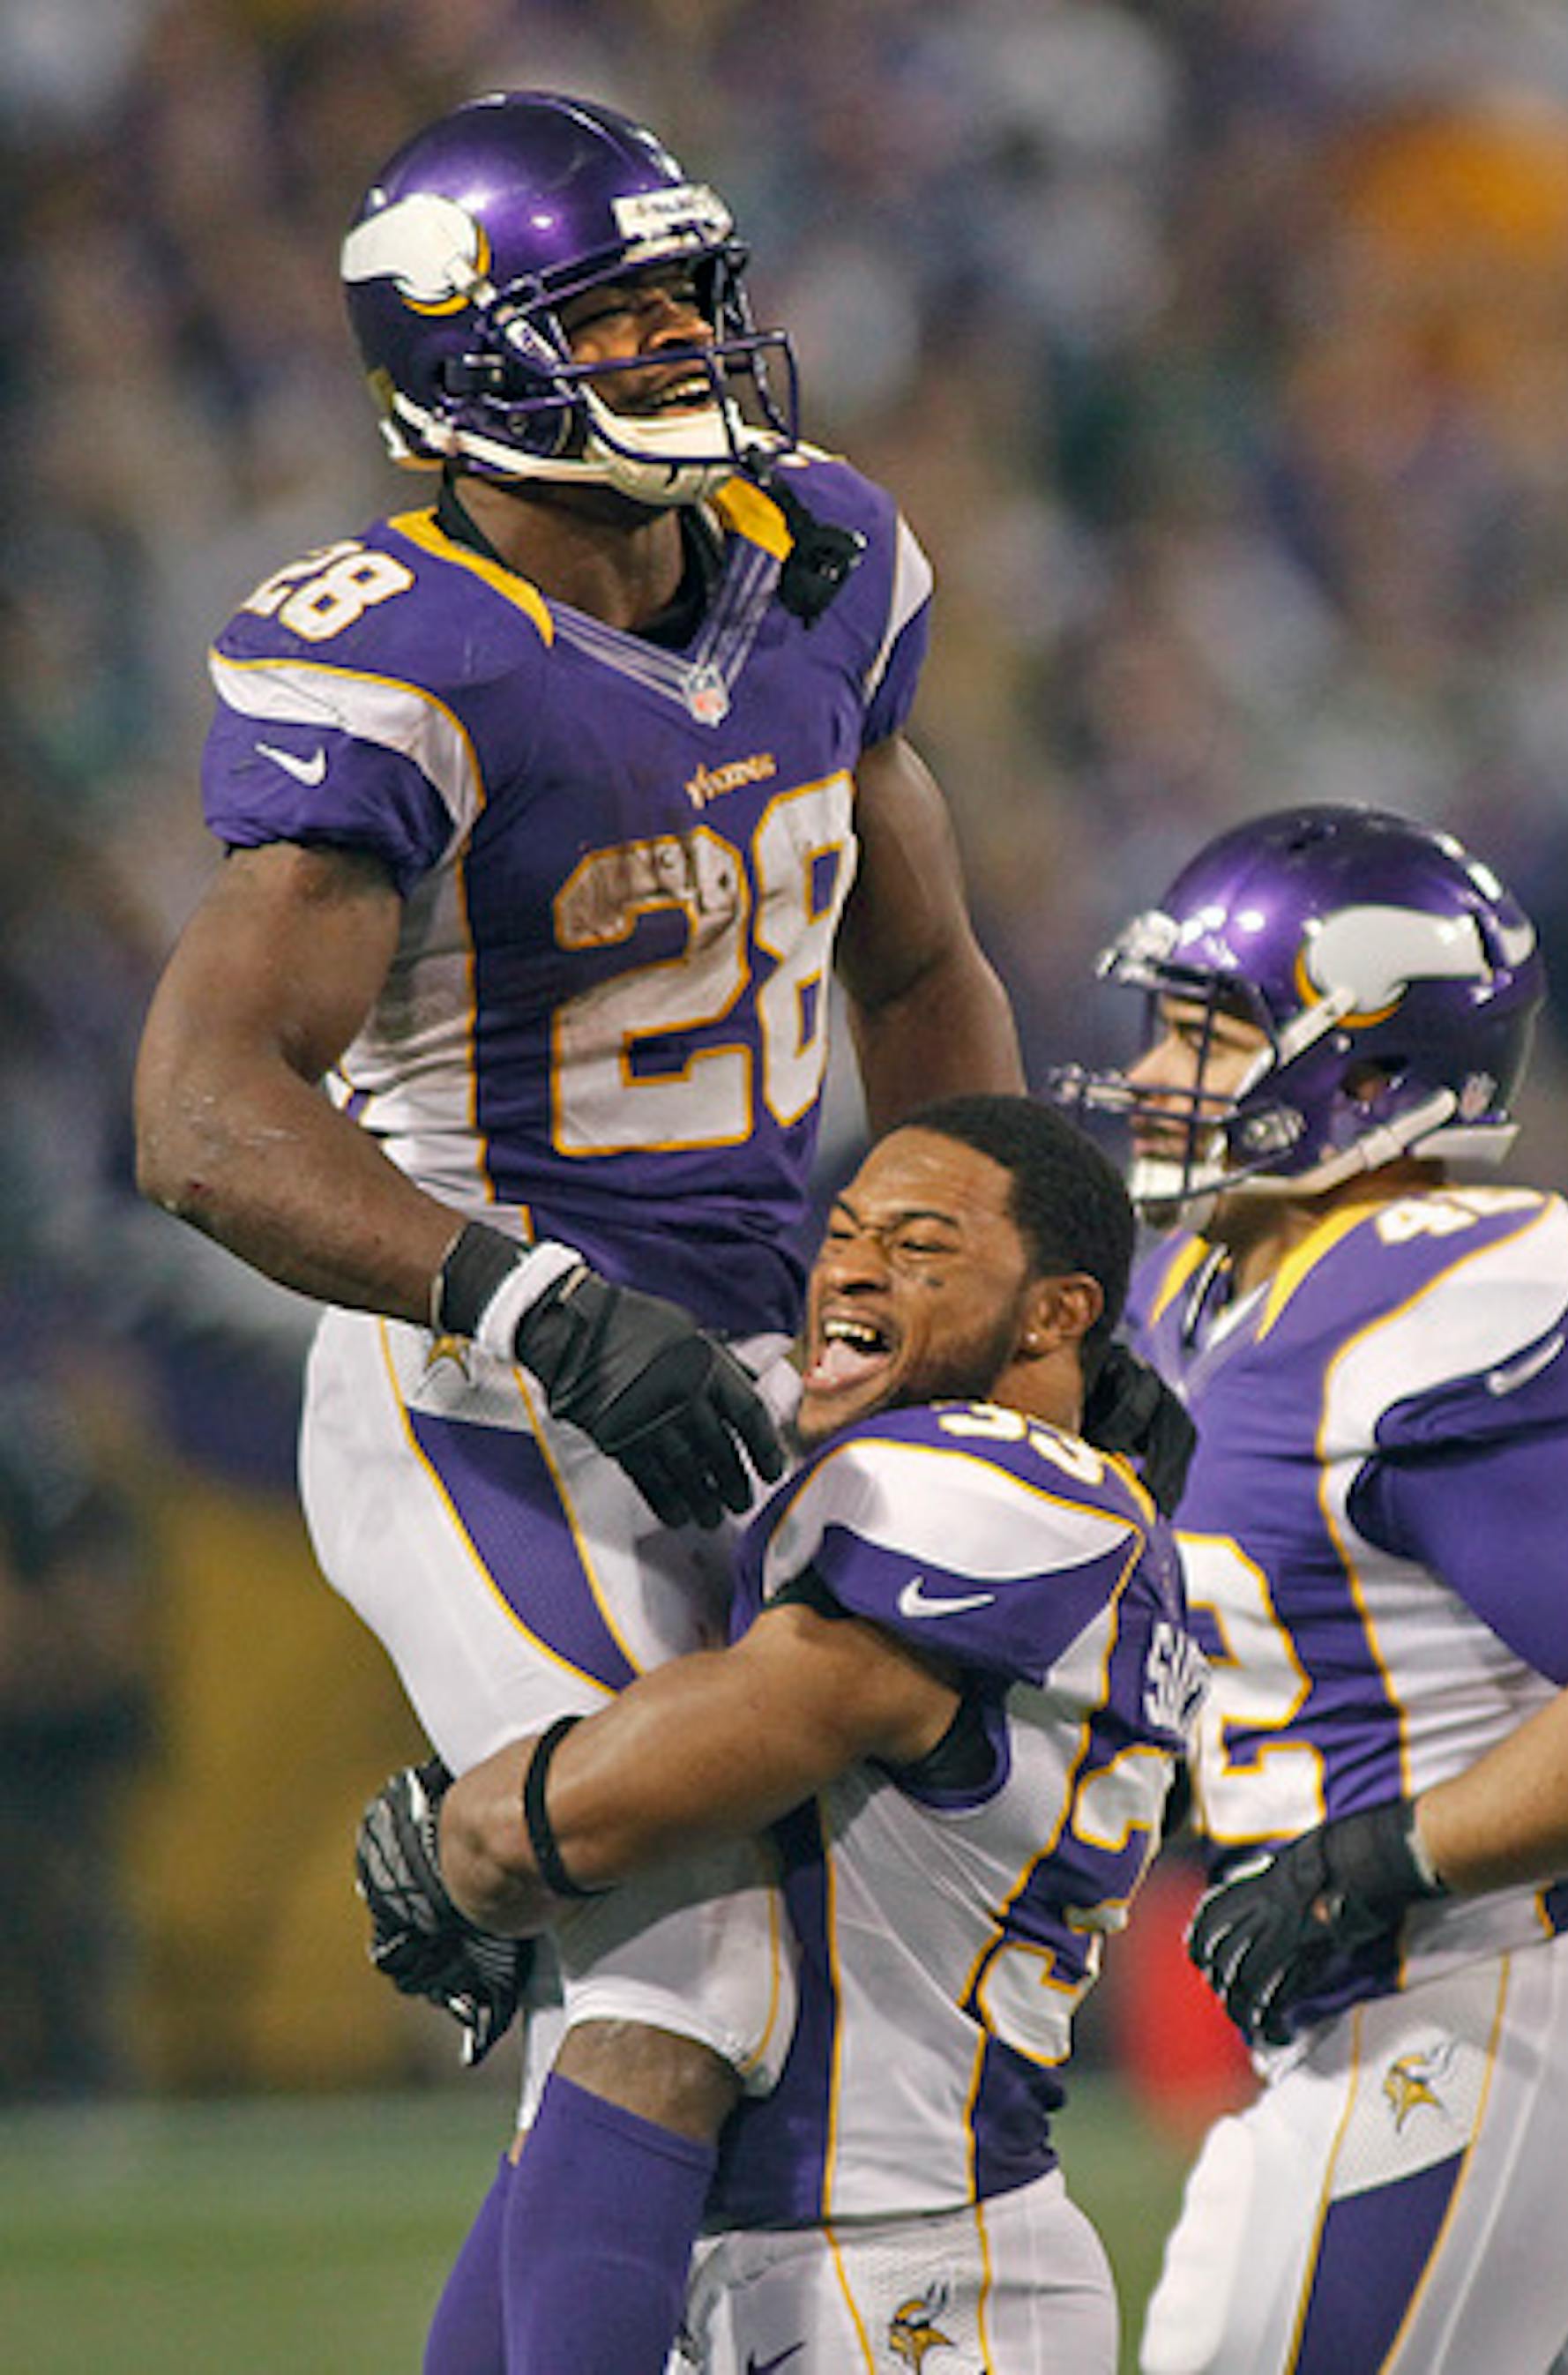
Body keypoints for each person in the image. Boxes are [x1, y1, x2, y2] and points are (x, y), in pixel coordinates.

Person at [131, 87, 1021, 2375]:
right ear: (464, 361)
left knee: (768, 1978)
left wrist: (994, 1286)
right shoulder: (412, 646)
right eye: (610, 317)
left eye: (688, 300)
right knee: (685, 1956)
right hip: (489, 1385)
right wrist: (528, 1292)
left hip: (754, 1363)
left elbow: (916, 972)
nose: (682, 351)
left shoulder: (812, 564)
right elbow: (206, 1114)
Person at [1057, 803, 1568, 2374]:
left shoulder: (1430, 1294)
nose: (1158, 1073)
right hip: (1464, 2024)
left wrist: (1364, 1861)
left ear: (1366, 1076)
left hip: (1463, 2016)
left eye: (1206, 1033)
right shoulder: (1200, 1286)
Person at [363, 1093, 1203, 2374]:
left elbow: (633, 1789)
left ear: (1057, 1312)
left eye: (922, 1248)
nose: (854, 1267)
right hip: (799, 2246)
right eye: (848, 1231)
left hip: (908, 2276)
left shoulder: (991, 1484)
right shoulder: (986, 1486)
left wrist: (464, 1835)